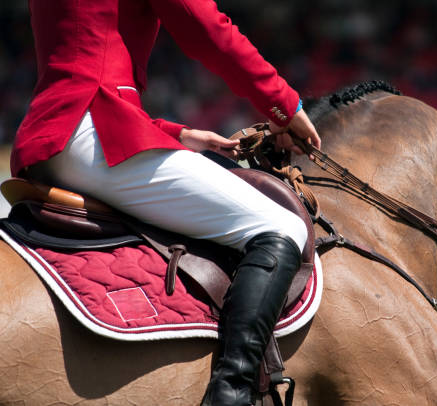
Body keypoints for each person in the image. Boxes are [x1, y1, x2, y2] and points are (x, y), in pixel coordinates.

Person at [12, 1, 321, 405]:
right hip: (95, 131)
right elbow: (203, 23)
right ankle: (232, 393)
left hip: (53, 137)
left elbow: (82, 62)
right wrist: (283, 103)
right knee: (283, 228)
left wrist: (179, 133)